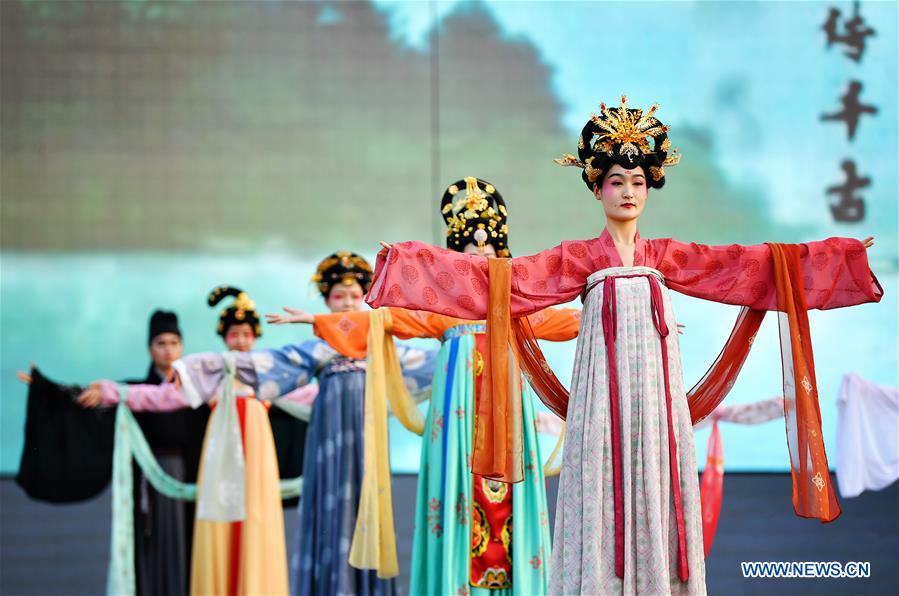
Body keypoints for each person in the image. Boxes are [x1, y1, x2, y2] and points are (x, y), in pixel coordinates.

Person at [363, 97, 882, 594]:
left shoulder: (667, 255)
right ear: (597, 188)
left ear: (650, 187)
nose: (628, 191)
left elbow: (745, 265)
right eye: (616, 181)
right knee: (598, 493)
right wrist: (408, 261)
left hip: (656, 408)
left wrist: (838, 256)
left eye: (637, 181)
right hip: (598, 408)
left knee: (661, 487)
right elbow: (502, 280)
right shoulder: (579, 258)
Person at [268, 178, 580, 595]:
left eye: (488, 245)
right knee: (458, 497)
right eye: (470, 244)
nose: (480, 251)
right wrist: (317, 321)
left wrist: (619, 313)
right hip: (458, 419)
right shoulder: (441, 306)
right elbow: (385, 319)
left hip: (508, 421)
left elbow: (566, 321)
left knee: (510, 504)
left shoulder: (518, 306)